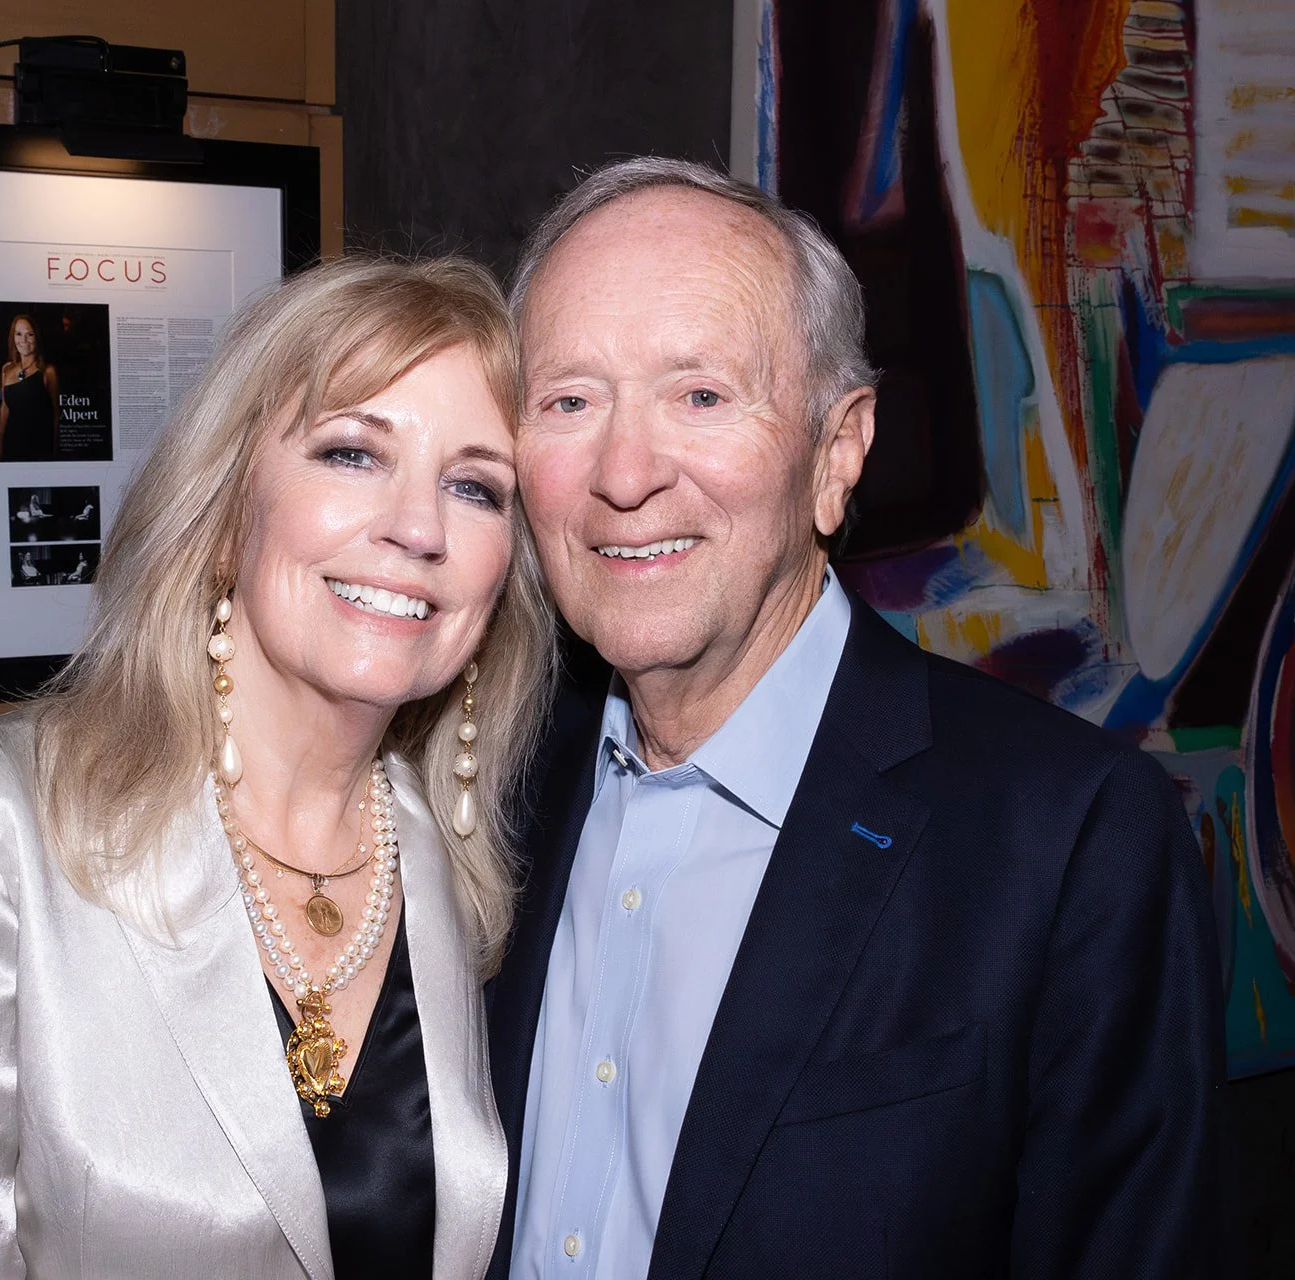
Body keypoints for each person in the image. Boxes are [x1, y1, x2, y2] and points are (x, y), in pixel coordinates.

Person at [486, 158, 1232, 1278]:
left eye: (699, 394)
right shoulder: (485, 782)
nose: (624, 472)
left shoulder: (1072, 842)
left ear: (837, 454)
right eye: (569, 400)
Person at [0, 255, 555, 1278]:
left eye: (473, 486)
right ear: (224, 506)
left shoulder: (454, 866)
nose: (419, 527)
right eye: (349, 453)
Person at [0, 313, 60, 461]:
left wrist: (54, 451)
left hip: (38, 447)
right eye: (18, 334)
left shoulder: (48, 372)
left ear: (36, 337)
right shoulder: (7, 369)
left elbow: (56, 413)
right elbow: (5, 408)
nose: (23, 340)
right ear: (13, 338)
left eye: (29, 334)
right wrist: (0, 447)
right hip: (11, 445)